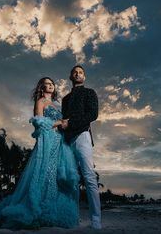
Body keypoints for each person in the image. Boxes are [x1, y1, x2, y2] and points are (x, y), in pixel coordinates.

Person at [0, 77, 79, 229]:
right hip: (47, 141)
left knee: (55, 175)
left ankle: (50, 205)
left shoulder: (57, 105)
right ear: (41, 88)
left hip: (59, 142)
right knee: (44, 172)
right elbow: (39, 122)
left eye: (51, 84)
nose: (50, 86)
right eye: (46, 84)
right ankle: (37, 207)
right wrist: (58, 123)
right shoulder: (41, 102)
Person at [61, 65, 101, 229]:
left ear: (84, 77)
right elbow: (63, 120)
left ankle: (96, 221)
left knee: (89, 177)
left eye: (81, 72)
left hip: (83, 136)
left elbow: (93, 114)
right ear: (71, 77)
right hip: (67, 140)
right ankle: (72, 217)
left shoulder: (89, 92)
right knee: (70, 180)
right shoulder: (65, 99)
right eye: (75, 72)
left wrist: (71, 123)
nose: (77, 74)